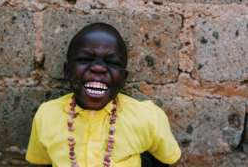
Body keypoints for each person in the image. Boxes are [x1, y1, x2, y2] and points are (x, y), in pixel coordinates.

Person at [25, 23, 181, 167]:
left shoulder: (147, 117)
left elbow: (165, 160)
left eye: (112, 63)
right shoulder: (47, 116)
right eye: (85, 59)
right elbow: (42, 162)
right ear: (67, 71)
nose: (99, 68)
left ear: (124, 78)